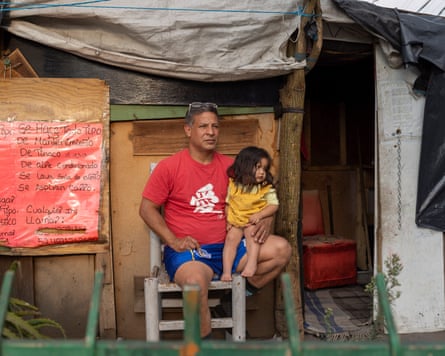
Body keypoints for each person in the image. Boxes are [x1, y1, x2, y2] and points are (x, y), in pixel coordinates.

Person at [139, 102, 291, 338]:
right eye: (203, 126)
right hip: (193, 253)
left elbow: (260, 199)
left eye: (215, 126)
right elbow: (147, 209)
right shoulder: (169, 167)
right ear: (188, 130)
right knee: (194, 284)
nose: (211, 132)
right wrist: (173, 240)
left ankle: (226, 306)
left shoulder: (233, 167)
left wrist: (265, 221)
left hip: (231, 248)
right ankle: (206, 343)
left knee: (281, 249)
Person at [221, 146, 279, 281]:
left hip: (252, 221)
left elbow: (273, 205)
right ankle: (226, 271)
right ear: (245, 167)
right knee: (230, 240)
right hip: (236, 221)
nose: (261, 172)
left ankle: (251, 264)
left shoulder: (265, 188)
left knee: (252, 235)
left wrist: (260, 215)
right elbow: (228, 204)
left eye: (264, 169)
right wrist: (228, 221)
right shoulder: (234, 185)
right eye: (258, 167)